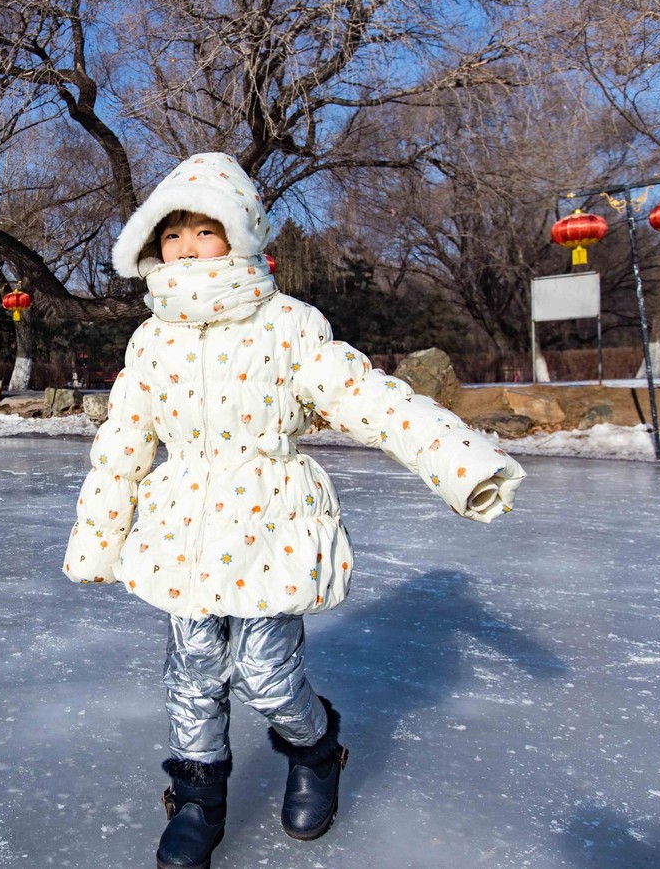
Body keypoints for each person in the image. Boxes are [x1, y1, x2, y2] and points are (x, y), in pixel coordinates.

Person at [61, 153, 525, 869]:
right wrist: (98, 538)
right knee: (191, 667)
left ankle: (316, 748)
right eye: (173, 233)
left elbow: (369, 399)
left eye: (203, 230)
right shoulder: (151, 339)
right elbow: (122, 444)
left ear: (239, 234)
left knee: (266, 673)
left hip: (269, 520)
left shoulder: (288, 324)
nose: (186, 247)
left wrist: (462, 464)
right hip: (182, 524)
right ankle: (196, 797)